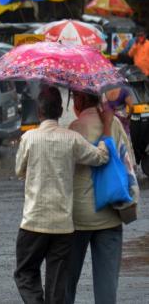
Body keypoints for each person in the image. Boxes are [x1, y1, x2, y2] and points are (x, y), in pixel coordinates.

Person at [14, 86, 112, 304]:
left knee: (25, 272)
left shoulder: (29, 138)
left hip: (33, 223)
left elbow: (19, 171)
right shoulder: (72, 139)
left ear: (39, 112)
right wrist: (105, 130)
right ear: (60, 111)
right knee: (57, 284)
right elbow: (100, 157)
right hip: (62, 226)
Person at [66, 91, 139, 304]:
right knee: (107, 288)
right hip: (110, 214)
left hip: (77, 219)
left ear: (78, 100)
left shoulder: (74, 128)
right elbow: (129, 162)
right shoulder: (114, 124)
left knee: (67, 282)